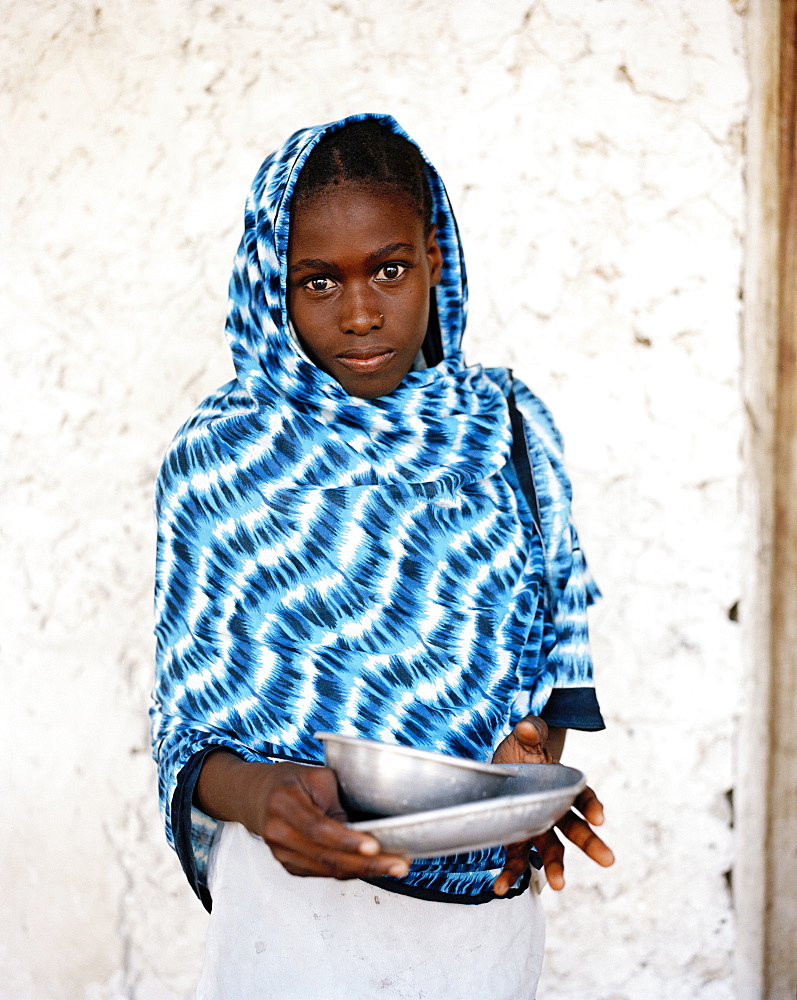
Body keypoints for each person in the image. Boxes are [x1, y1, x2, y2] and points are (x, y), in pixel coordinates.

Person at [151, 113, 614, 1000]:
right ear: (270, 289)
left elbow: (557, 664)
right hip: (292, 919)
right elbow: (188, 735)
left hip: (481, 930)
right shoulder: (223, 459)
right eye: (317, 280)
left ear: (434, 257)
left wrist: (528, 772)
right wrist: (263, 800)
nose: (360, 313)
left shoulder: (509, 429)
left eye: (389, 269)